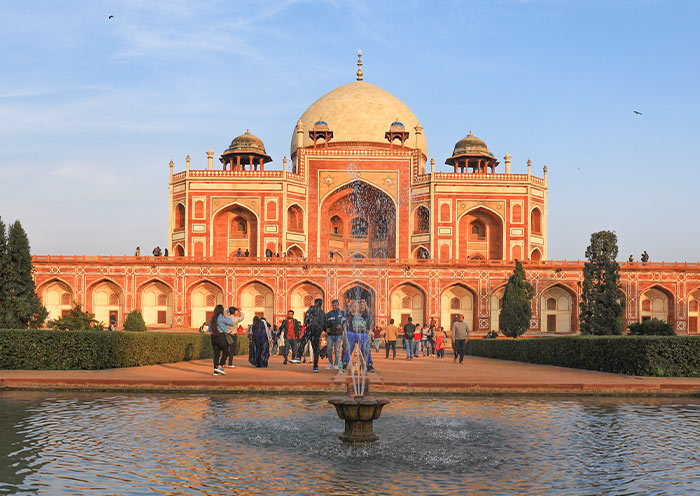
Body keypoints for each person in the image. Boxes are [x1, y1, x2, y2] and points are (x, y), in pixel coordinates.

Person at [342, 299, 374, 372]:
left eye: (358, 305)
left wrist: (365, 304)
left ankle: (369, 365)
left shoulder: (364, 314)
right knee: (348, 349)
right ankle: (344, 364)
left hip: (362, 333)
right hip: (351, 333)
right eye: (355, 305)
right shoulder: (349, 314)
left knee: (366, 350)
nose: (357, 307)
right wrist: (352, 305)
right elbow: (345, 318)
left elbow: (369, 314)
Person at [297, 298, 326, 372]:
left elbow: (307, 315)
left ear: (315, 303)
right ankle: (315, 367)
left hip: (310, 329)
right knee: (316, 350)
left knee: (302, 343)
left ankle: (298, 357)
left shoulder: (312, 308)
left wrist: (306, 323)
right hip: (317, 332)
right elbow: (325, 324)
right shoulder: (323, 313)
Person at [209, 304, 236, 375]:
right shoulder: (222, 317)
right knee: (226, 351)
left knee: (216, 354)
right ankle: (220, 366)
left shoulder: (212, 318)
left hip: (213, 337)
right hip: (221, 336)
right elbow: (231, 323)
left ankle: (215, 371)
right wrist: (226, 316)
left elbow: (209, 329)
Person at [325, 299, 345, 370]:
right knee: (329, 349)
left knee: (337, 349)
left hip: (338, 334)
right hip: (330, 334)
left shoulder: (342, 313)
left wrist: (341, 326)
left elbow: (346, 323)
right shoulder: (329, 313)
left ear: (338, 305)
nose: (334, 306)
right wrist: (326, 329)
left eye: (336, 305)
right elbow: (325, 322)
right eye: (333, 305)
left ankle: (336, 364)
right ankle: (330, 363)